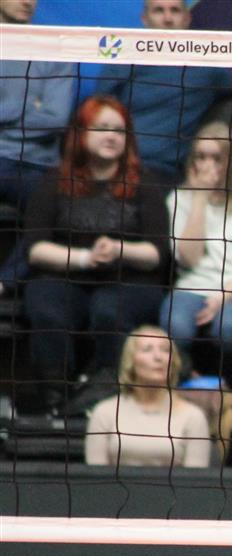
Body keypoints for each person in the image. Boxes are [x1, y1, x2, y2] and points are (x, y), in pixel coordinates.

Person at [22, 95, 170, 417]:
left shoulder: (146, 182)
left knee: (108, 311)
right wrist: (84, 258)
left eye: (119, 130)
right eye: (102, 128)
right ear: (82, 133)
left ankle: (102, 391)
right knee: (46, 307)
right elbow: (34, 248)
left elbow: (157, 252)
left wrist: (119, 250)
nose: (111, 136)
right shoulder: (54, 181)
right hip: (66, 275)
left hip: (130, 280)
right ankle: (55, 398)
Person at [95, 0, 232, 183]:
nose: (167, 18)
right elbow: (95, 113)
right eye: (159, 10)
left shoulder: (205, 70)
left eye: (175, 10)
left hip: (165, 174)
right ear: (144, 18)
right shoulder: (123, 60)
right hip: (116, 166)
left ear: (187, 18)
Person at [161, 120, 232, 372]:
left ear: (231, 161)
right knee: (176, 325)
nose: (207, 165)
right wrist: (199, 199)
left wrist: (221, 298)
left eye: (216, 158)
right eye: (201, 157)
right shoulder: (178, 198)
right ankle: (187, 379)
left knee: (228, 327)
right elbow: (187, 259)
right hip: (193, 285)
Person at [84, 324, 212, 468]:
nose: (158, 357)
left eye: (165, 350)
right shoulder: (104, 413)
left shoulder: (193, 417)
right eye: (147, 349)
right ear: (131, 361)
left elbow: (196, 478)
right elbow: (95, 476)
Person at [0, 0, 76, 210]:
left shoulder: (53, 49)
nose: (27, 2)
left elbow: (56, 119)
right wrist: (30, 105)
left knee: (57, 214)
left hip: (36, 166)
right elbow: (42, 115)